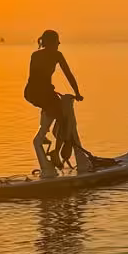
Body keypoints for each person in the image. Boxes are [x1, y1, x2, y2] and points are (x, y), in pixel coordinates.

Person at [25, 30, 88, 177]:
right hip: (40, 93)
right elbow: (67, 74)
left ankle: (52, 146)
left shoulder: (39, 55)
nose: (59, 44)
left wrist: (74, 92)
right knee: (64, 120)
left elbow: (65, 74)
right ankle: (55, 153)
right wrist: (76, 93)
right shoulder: (53, 55)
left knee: (59, 116)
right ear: (51, 43)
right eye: (57, 41)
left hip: (36, 92)